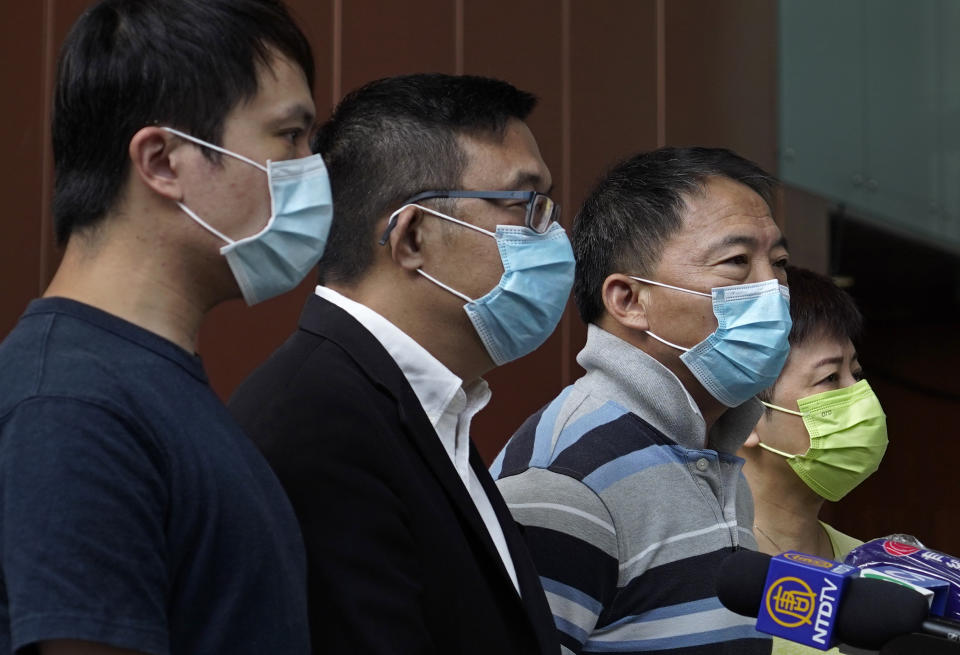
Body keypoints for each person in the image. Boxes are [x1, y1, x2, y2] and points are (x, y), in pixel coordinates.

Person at [0, 1, 332, 653]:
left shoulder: (140, 386)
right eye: (289, 137)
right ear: (162, 161)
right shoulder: (71, 410)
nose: (310, 170)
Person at [229, 73, 571, 654]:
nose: (554, 233)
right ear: (412, 236)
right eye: (526, 205)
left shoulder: (429, 409)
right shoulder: (317, 422)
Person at [492, 146, 793, 654]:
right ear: (629, 300)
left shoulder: (713, 454)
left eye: (779, 263)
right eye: (737, 262)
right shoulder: (568, 479)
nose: (774, 288)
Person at [739, 265, 887, 655]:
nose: (861, 396)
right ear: (745, 415)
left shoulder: (873, 573)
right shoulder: (713, 573)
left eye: (855, 372)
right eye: (829, 379)